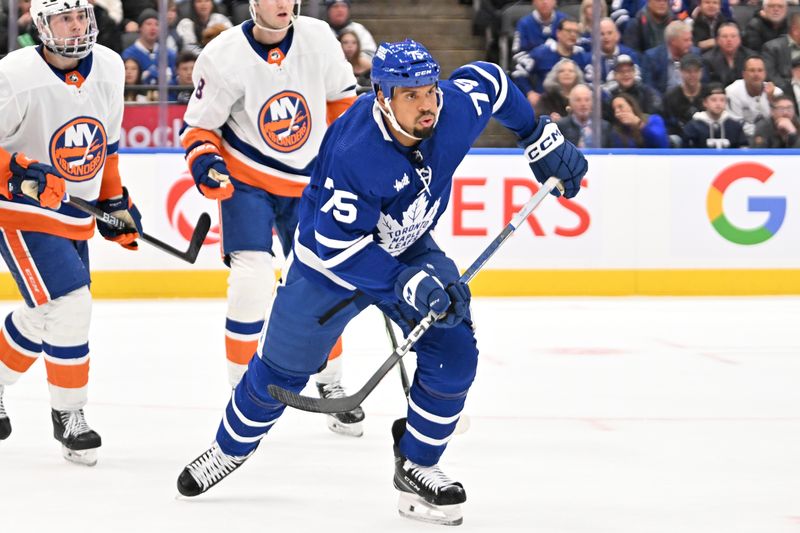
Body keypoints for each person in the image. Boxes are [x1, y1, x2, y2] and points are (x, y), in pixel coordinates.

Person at [175, 38, 587, 525]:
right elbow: (334, 246)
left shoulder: (450, 108)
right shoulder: (354, 151)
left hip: (408, 246)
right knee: (280, 374)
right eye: (410, 94)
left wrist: (537, 136)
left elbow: (493, 82)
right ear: (382, 97)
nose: (426, 103)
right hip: (328, 269)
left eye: (429, 89)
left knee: (454, 346)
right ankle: (229, 449)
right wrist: (405, 283)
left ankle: (418, 467)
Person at [179, 0, 366, 437]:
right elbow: (198, 128)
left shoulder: (318, 38)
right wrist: (206, 162)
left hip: (311, 181)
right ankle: (240, 390)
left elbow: (343, 105)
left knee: (324, 282)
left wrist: (356, 164)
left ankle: (330, 381)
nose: (283, 3)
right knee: (252, 280)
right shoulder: (222, 55)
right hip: (248, 180)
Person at [0, 0, 143, 466]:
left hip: (74, 212)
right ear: (41, 25)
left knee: (46, 315)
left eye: (81, 15)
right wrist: (20, 174)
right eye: (65, 17)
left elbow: (108, 147)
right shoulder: (14, 74)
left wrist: (116, 203)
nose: (77, 25)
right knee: (71, 304)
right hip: (20, 211)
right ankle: (70, 414)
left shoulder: (108, 64)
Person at [725, 54, 783, 139]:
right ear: (744, 74)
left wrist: (770, 100)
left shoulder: (776, 92)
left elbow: (780, 122)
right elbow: (735, 123)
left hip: (772, 137)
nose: (756, 74)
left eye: (760, 70)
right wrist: (759, 134)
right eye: (752, 70)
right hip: (741, 137)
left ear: (765, 74)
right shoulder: (732, 91)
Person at [121, 8, 177, 86]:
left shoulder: (169, 54)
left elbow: (176, 80)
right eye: (148, 24)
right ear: (140, 28)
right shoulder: (129, 54)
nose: (153, 28)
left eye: (157, 24)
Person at [682, 82, 748, 147]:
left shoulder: (735, 126)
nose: (718, 104)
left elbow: (743, 149)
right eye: (713, 100)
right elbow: (686, 152)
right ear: (705, 102)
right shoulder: (693, 127)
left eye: (722, 100)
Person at [662, 53, 705, 137]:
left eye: (696, 71)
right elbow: (667, 123)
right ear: (680, 72)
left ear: (701, 72)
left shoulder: (708, 94)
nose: (692, 75)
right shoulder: (670, 96)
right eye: (688, 71)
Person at [701, 22, 755, 88]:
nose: (729, 40)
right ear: (718, 40)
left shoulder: (750, 57)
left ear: (739, 39)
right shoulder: (707, 59)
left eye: (733, 36)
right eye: (724, 36)